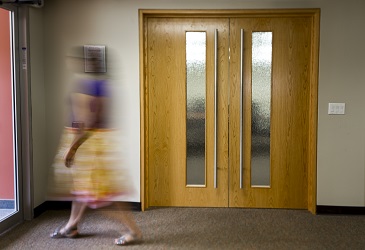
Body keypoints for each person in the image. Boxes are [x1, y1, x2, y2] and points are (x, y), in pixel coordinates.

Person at [47, 47, 142, 245]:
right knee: (82, 189)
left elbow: (87, 121)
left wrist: (73, 147)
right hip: (95, 143)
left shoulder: (89, 86)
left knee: (101, 195)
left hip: (91, 145)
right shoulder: (100, 85)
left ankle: (133, 231)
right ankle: (71, 226)